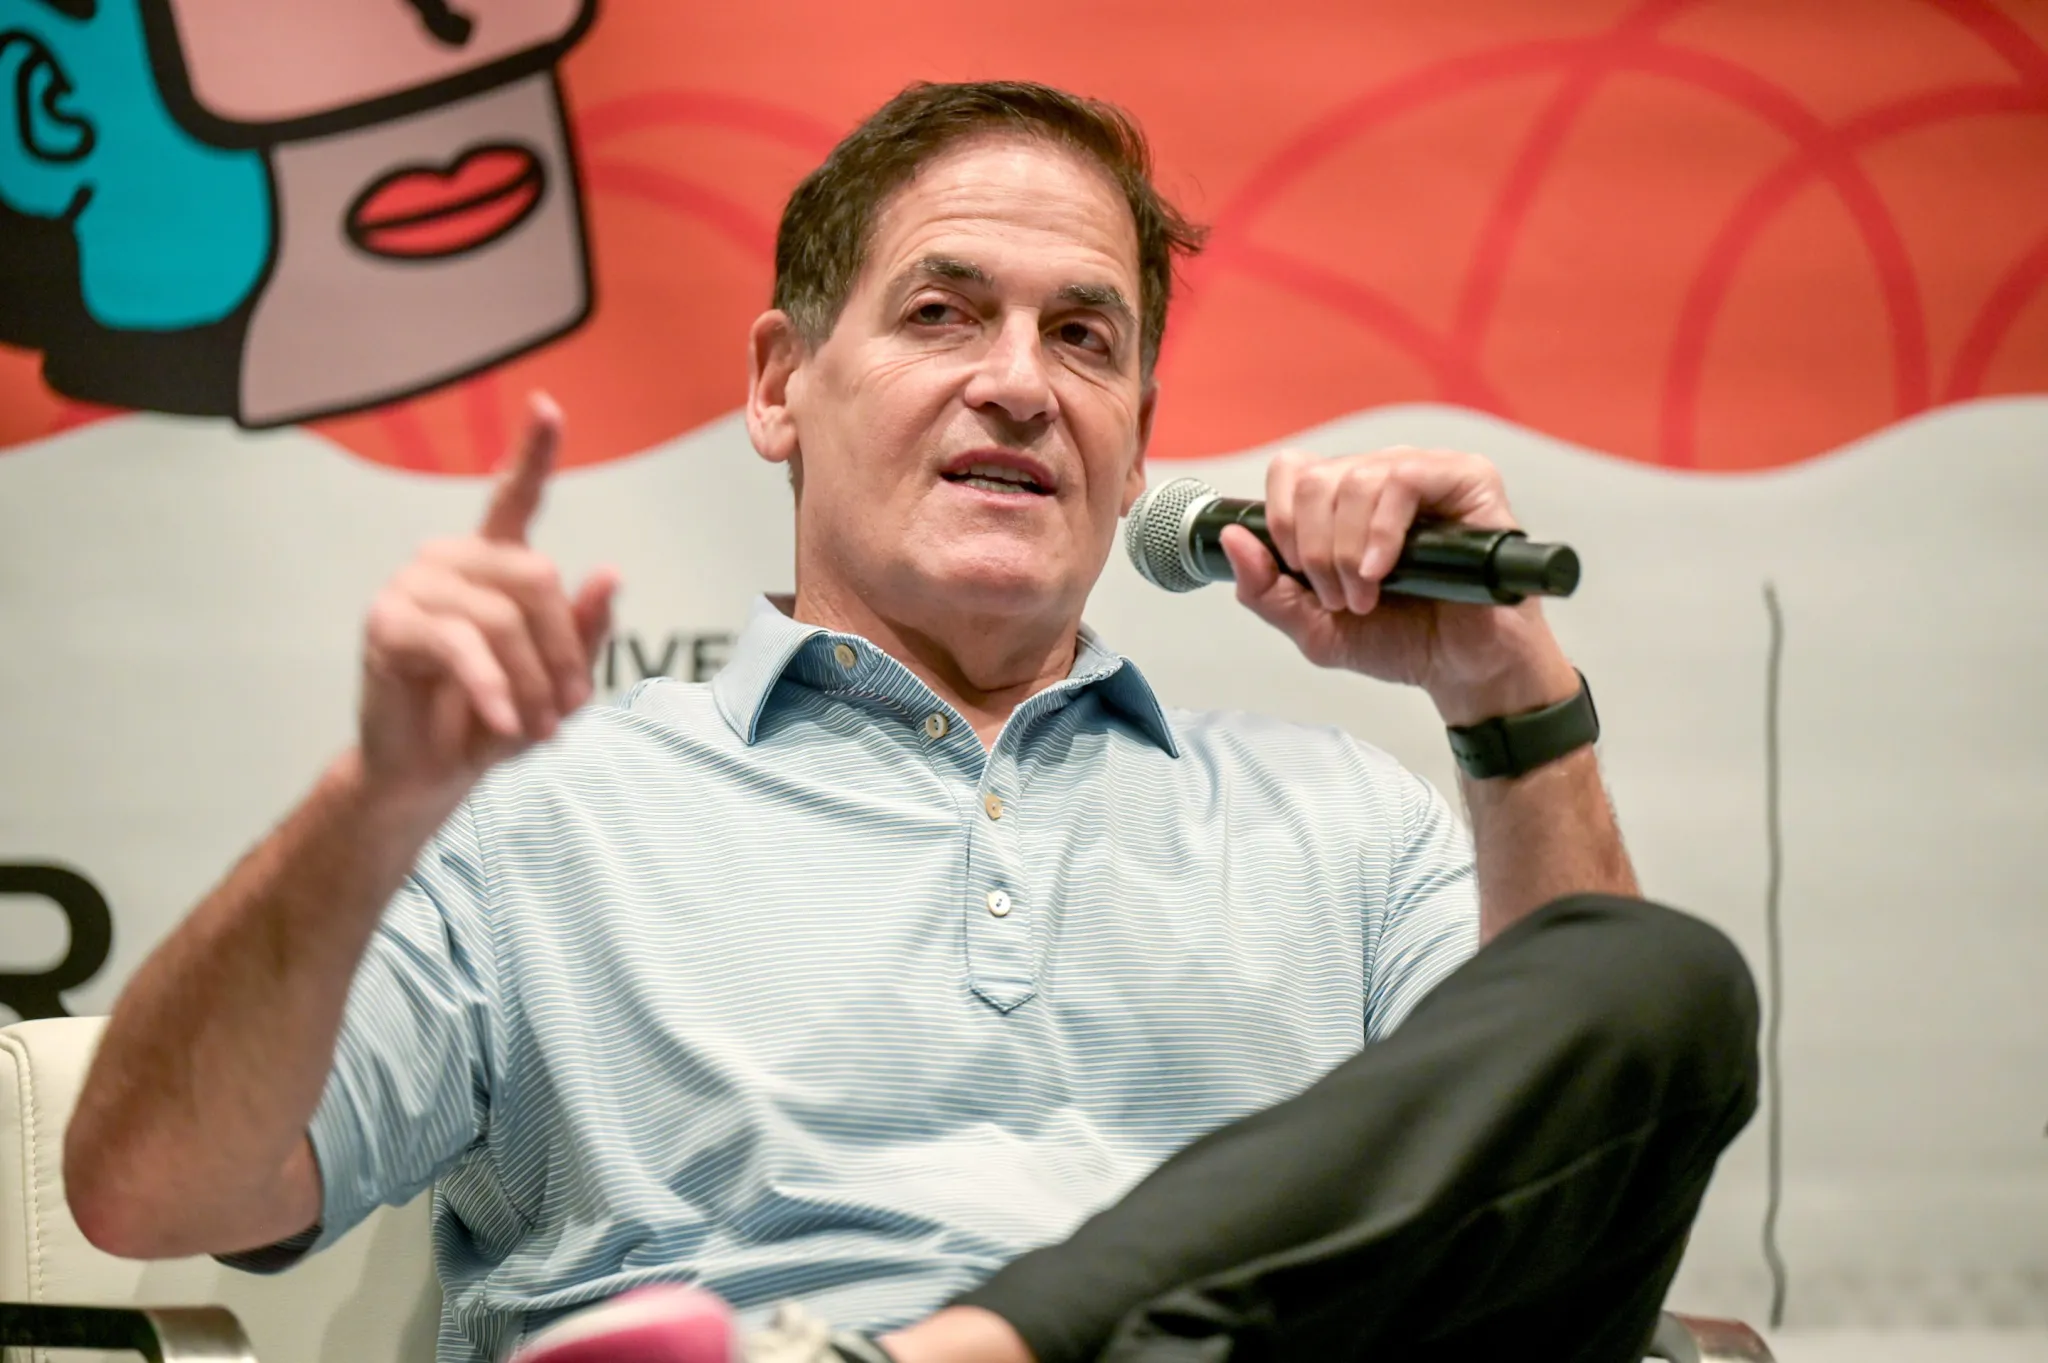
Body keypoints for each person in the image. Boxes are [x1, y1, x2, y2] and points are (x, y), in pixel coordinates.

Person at [62, 81, 1758, 1363]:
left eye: (1082, 337)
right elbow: (151, 1188)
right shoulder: (543, 810)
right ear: (778, 384)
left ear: (1139, 441)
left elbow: (1574, 1210)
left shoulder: (1344, 825)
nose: (1018, 380)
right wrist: (371, 800)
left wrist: (1502, 690)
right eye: (943, 313)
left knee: (1664, 978)